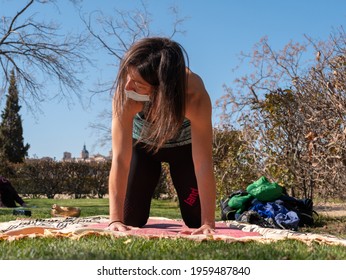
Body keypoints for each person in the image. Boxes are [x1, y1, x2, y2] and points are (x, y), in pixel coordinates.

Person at [108, 37, 216, 235]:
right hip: (144, 148)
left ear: (162, 88)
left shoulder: (193, 95)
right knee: (131, 219)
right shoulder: (127, 93)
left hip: (184, 151)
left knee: (196, 220)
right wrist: (114, 219)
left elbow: (203, 162)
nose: (127, 87)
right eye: (127, 77)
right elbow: (120, 159)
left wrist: (208, 223)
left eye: (138, 83)